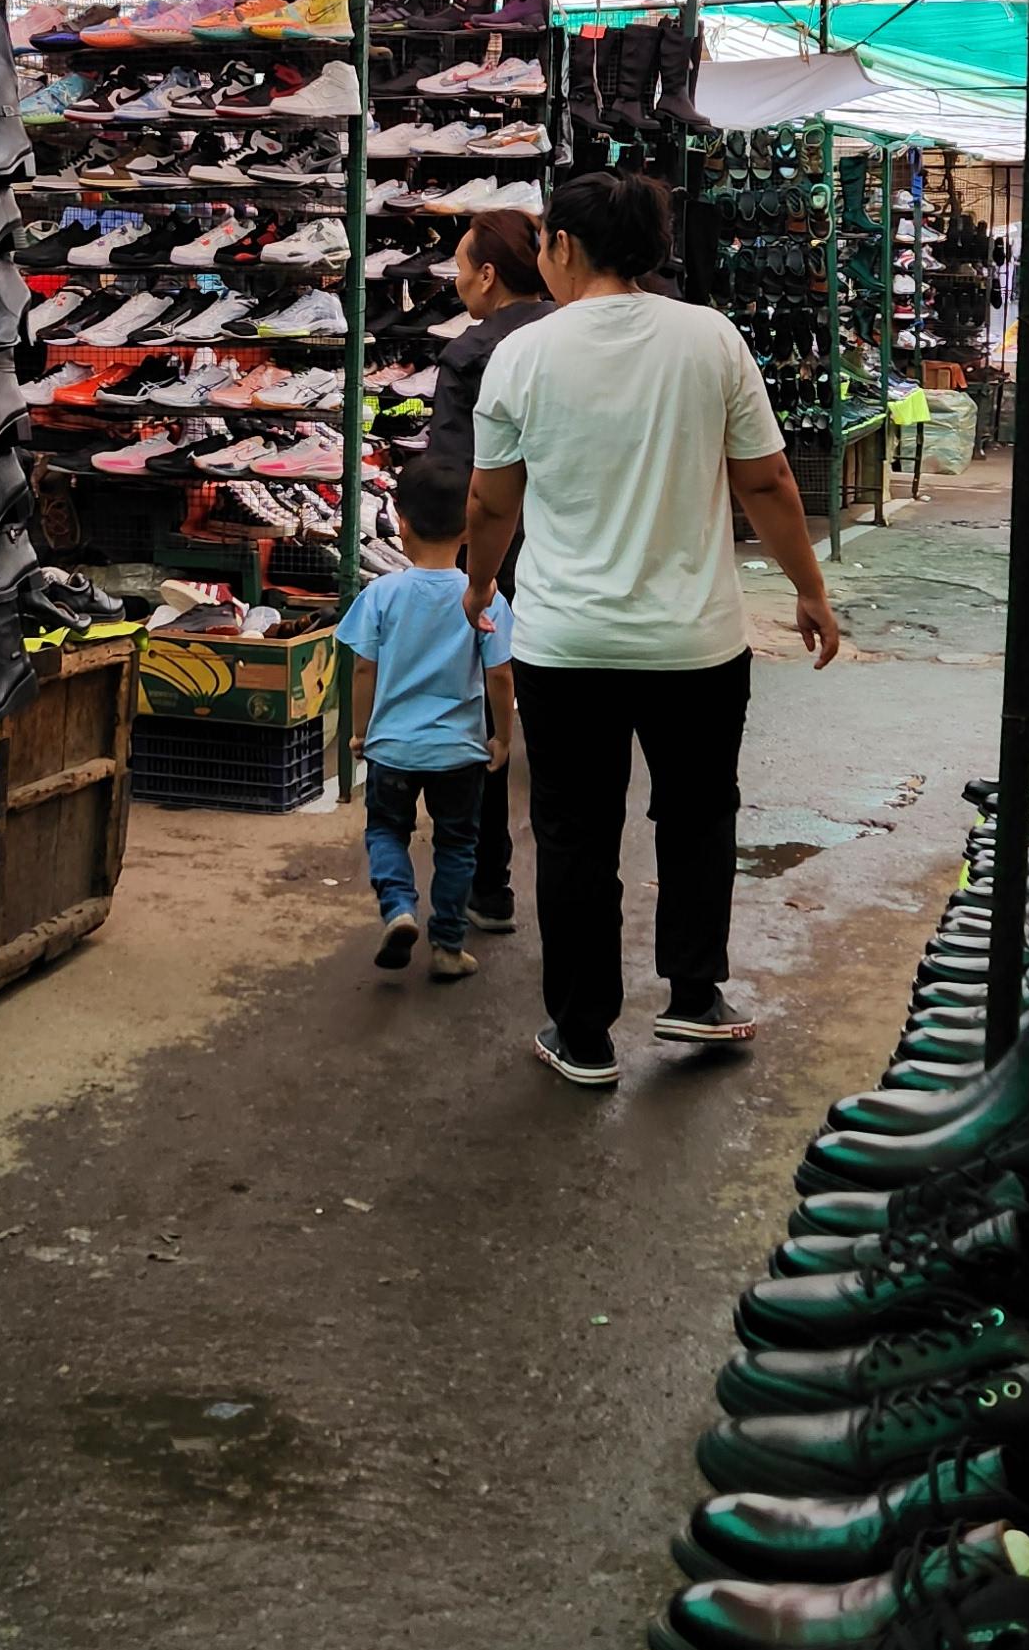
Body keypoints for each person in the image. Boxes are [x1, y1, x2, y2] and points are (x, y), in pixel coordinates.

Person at [464, 168, 841, 1094]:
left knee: (575, 835)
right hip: (694, 643)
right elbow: (767, 481)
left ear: (562, 246)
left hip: (566, 644)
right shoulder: (710, 339)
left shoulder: (523, 355)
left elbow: (491, 500)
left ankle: (583, 1034)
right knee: (699, 815)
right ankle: (695, 993)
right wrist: (810, 589)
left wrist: (478, 584)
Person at [421, 210, 551, 934]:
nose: (457, 281)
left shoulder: (471, 353)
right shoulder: (573, 334)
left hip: (496, 556)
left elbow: (457, 475)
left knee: (486, 715)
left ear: (489, 275)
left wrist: (467, 574)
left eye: (461, 268)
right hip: (573, 552)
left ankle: (490, 885)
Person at [337, 454, 513, 983]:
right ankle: (448, 946)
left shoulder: (381, 594)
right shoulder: (484, 597)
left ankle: (398, 907)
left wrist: (361, 731)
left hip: (392, 748)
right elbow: (500, 676)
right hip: (459, 751)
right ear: (468, 529)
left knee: (386, 830)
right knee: (457, 845)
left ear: (401, 523)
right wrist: (502, 738)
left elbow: (363, 668)